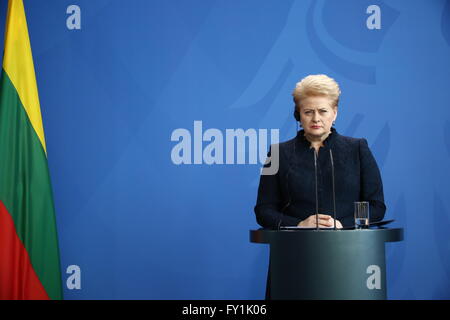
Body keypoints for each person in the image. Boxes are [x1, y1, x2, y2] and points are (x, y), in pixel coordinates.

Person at [254, 74, 386, 230]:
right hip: (294, 247)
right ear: (298, 115)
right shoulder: (276, 153)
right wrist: (299, 224)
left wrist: (342, 224)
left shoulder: (358, 149)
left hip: (350, 248)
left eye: (323, 111)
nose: (316, 118)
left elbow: (376, 206)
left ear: (334, 113)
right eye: (308, 112)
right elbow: (264, 210)